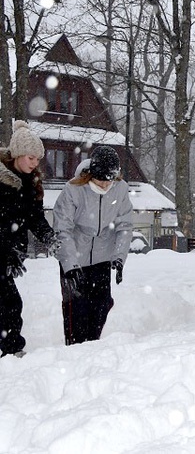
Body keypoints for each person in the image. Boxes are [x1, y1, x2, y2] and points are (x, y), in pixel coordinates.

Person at [53, 146, 133, 345]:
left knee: (100, 309)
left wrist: (119, 257)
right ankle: (74, 352)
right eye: (101, 179)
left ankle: (92, 351)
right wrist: (70, 265)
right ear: (91, 174)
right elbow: (62, 229)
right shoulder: (73, 190)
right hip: (75, 259)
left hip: (102, 258)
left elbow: (125, 225)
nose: (106, 184)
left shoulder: (120, 188)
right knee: (76, 312)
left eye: (110, 179)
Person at [0, 121, 58, 357]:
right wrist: (7, 254)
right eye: (31, 158)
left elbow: (35, 217)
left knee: (9, 302)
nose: (35, 163)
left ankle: (11, 348)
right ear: (17, 154)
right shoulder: (2, 182)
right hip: (3, 251)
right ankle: (12, 349)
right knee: (10, 303)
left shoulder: (32, 183)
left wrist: (48, 236)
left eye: (38, 159)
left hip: (11, 252)